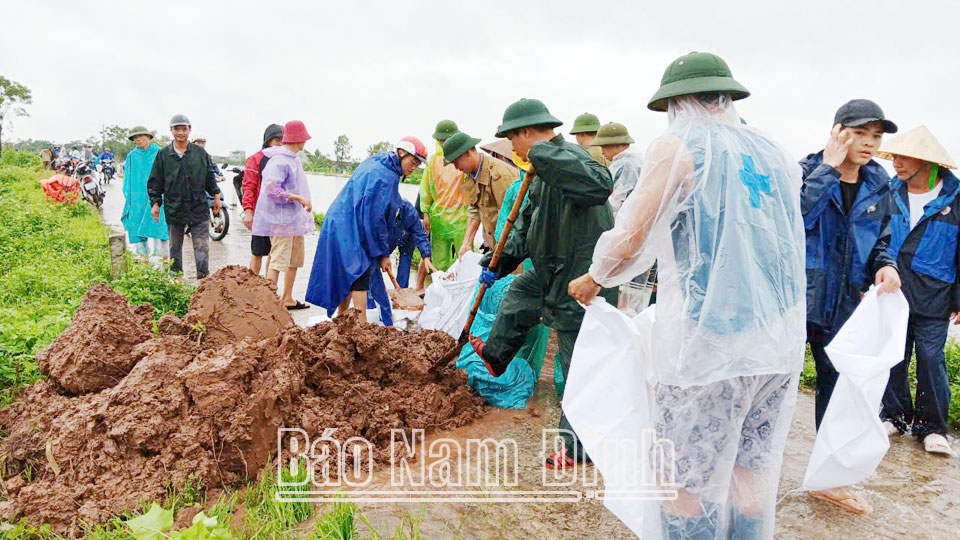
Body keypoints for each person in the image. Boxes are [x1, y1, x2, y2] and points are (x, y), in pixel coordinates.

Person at [569, 52, 806, 539]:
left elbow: (633, 235)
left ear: (676, 102)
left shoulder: (680, 147)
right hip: (777, 344)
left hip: (709, 347)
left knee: (680, 478)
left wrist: (595, 276)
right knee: (748, 473)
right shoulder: (775, 152)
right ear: (726, 97)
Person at [468, 98, 616, 470]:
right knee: (518, 295)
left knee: (576, 365)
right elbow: (522, 230)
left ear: (526, 133)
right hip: (548, 273)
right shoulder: (536, 176)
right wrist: (496, 264)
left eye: (513, 140)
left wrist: (542, 154)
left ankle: (577, 446)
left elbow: (600, 186)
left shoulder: (572, 159)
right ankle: (496, 356)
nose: (513, 149)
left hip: (580, 281)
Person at [801, 98, 901, 514]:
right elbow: (796, 217)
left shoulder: (880, 183)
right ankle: (745, 471)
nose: (869, 143)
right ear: (838, 131)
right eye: (860, 133)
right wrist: (828, 166)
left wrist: (887, 264)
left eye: (876, 136)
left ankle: (829, 479)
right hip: (796, 297)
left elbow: (880, 238)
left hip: (843, 303)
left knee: (837, 389)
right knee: (771, 386)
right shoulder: (805, 172)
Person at [876, 125, 958, 456]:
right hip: (893, 289)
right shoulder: (888, 193)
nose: (897, 162)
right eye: (894, 155)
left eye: (905, 156)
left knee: (930, 358)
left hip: (935, 293)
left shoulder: (954, 199)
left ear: (927, 162)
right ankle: (896, 416)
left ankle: (933, 428)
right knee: (893, 355)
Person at [306, 136, 438, 325]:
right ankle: (362, 325)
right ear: (401, 153)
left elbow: (413, 230)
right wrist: (383, 254)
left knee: (346, 275)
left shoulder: (376, 162)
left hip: (339, 221)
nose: (414, 167)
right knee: (361, 275)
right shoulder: (388, 177)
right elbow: (375, 219)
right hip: (351, 227)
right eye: (413, 162)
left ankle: (342, 322)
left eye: (418, 164)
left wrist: (425, 254)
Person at [147, 114, 222, 279]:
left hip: (198, 206)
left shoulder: (200, 153)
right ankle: (176, 280)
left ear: (189, 130)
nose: (181, 132)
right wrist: (155, 203)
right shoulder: (163, 155)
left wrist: (216, 195)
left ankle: (203, 280)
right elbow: (155, 181)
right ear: (171, 131)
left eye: (184, 129)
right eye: (177, 129)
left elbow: (209, 176)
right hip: (175, 206)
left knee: (202, 245)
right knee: (175, 246)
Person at [251, 120, 315, 310]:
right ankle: (269, 303)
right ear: (298, 140)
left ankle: (287, 297)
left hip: (295, 220)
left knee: (294, 260)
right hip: (281, 221)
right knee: (278, 260)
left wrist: (301, 201)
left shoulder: (293, 158)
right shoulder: (279, 160)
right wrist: (297, 198)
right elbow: (272, 190)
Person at [443, 131, 519, 257]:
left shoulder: (499, 175)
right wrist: (466, 243)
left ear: (467, 153)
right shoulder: (472, 175)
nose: (456, 168)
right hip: (495, 246)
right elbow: (474, 210)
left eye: (456, 162)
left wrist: (500, 255)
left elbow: (513, 218)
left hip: (512, 249)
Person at [419, 120, 470, 271]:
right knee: (439, 260)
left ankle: (463, 291)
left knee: (464, 258)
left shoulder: (464, 158)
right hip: (439, 217)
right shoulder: (433, 162)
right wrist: (426, 212)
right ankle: (440, 290)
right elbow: (426, 189)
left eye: (447, 139)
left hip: (462, 216)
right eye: (441, 140)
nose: (443, 143)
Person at [243, 124, 284, 275]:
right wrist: (248, 211)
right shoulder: (255, 159)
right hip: (260, 214)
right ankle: (252, 286)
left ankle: (269, 289)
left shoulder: (284, 160)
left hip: (279, 214)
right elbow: (248, 187)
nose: (281, 143)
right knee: (257, 252)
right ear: (268, 140)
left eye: (283, 140)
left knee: (275, 253)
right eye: (277, 140)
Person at [123, 126, 169, 258]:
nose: (138, 140)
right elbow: (127, 178)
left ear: (148, 136)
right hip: (137, 196)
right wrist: (129, 196)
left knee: (158, 224)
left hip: (157, 195)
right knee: (136, 223)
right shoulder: (132, 156)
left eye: (140, 136)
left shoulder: (159, 153)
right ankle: (142, 260)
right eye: (135, 138)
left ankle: (164, 259)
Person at [592, 122, 643, 214]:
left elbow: (617, 200)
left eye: (604, 146)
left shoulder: (625, 164)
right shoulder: (634, 160)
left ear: (615, 145)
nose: (602, 152)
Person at [389, 198, 432, 288]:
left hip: (408, 236)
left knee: (405, 258)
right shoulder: (379, 210)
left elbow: (420, 233)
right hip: (389, 234)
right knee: (373, 265)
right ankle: (368, 296)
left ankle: (402, 291)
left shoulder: (408, 210)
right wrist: (384, 255)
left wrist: (426, 256)